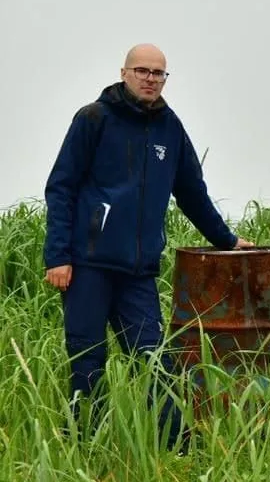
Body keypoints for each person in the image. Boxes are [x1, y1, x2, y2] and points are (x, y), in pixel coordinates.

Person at [43, 44, 252, 449]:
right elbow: (61, 187)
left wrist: (227, 240)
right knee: (86, 361)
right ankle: (85, 448)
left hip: (138, 272)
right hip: (88, 267)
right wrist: (59, 256)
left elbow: (192, 193)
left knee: (157, 360)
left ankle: (177, 448)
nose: (150, 78)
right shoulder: (94, 119)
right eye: (142, 70)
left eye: (159, 73)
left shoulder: (169, 128)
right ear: (124, 72)